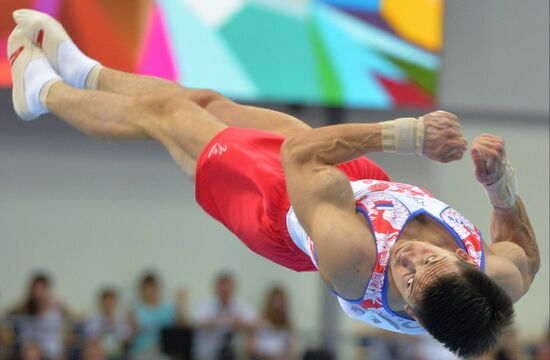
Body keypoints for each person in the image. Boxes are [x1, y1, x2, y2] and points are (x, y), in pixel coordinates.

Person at [7, 9, 540, 358]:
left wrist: (407, 134)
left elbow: (301, 155)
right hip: (362, 187)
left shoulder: (354, 259)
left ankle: (42, 93)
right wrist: (501, 188)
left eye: (409, 282)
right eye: (428, 262)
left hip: (279, 208)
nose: (409, 261)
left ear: (412, 310)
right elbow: (526, 254)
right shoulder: (499, 278)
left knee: (167, 118)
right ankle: (85, 71)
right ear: (474, 271)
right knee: (208, 102)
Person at [5, 272, 72, 360]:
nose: (39, 293)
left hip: (52, 353)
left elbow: (74, 321)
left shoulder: (58, 308)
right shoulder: (23, 308)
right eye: (36, 289)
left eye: (42, 289)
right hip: (29, 351)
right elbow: (6, 315)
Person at [193, 272, 256, 360]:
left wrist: (242, 324)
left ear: (233, 288)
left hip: (234, 353)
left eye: (228, 287)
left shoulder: (241, 305)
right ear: (216, 288)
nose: (225, 290)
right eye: (222, 287)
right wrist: (217, 322)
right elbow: (195, 323)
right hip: (208, 354)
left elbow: (255, 324)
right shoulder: (205, 304)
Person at [127, 272, 186, 360]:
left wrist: (181, 302)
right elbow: (130, 333)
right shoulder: (135, 309)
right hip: (142, 350)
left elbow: (183, 324)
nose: (150, 292)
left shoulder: (169, 308)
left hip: (164, 350)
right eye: (147, 288)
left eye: (153, 288)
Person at [247, 285, 294, 360]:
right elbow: (249, 346)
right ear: (269, 303)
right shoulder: (259, 321)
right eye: (274, 301)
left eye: (280, 302)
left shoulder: (288, 324)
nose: (277, 305)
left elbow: (291, 350)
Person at [84, 288, 132, 360]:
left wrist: (114, 325)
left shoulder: (121, 318)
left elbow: (127, 335)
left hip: (117, 353)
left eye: (111, 301)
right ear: (101, 303)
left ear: (116, 302)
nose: (108, 305)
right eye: (106, 302)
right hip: (99, 353)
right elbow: (89, 335)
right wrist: (104, 325)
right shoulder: (94, 318)